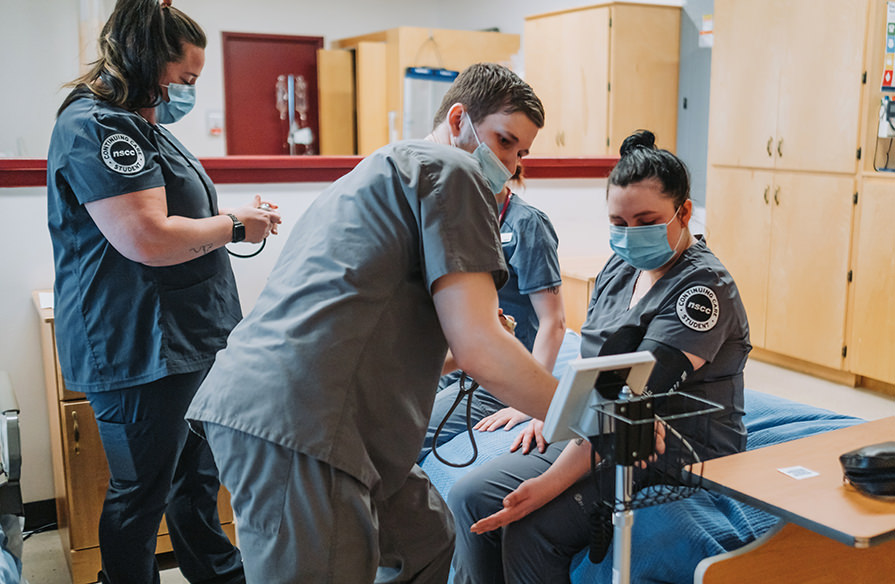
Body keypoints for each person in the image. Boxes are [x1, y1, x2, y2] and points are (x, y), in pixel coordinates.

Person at [185, 62, 560, 583]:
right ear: (459, 120)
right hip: (299, 421)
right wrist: (587, 416)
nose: (508, 165)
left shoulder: (382, 168)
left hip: (301, 407)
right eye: (503, 141)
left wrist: (472, 339)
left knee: (427, 538)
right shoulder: (452, 171)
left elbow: (385, 337)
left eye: (520, 154)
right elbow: (480, 350)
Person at [448, 130, 751, 583]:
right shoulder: (620, 267)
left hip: (672, 444)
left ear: (684, 212)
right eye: (618, 223)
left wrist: (548, 481)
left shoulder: (703, 291)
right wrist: (555, 410)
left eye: (645, 221)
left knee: (531, 527)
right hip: (603, 428)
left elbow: (632, 392)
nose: (629, 237)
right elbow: (596, 362)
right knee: (469, 496)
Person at [46, 1, 280, 582]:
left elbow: (174, 212)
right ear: (147, 61)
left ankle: (218, 574)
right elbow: (146, 237)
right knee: (140, 491)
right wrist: (234, 226)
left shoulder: (142, 121)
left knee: (195, 478)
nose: (189, 93)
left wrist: (233, 216)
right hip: (136, 345)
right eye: (187, 80)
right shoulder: (97, 127)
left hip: (190, 337)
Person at [420, 166, 565, 464]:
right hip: (455, 360)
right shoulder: (455, 222)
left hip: (502, 369)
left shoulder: (527, 224)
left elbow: (555, 321)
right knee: (381, 417)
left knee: (407, 434)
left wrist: (529, 399)